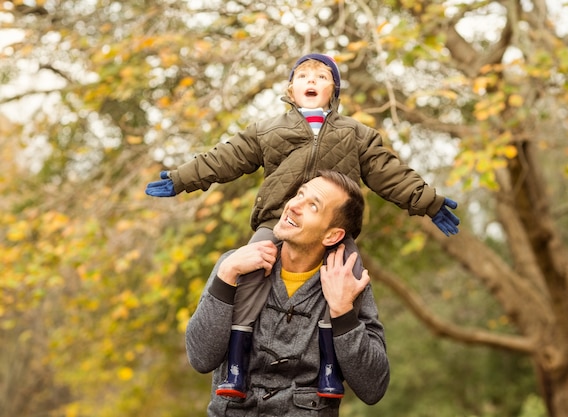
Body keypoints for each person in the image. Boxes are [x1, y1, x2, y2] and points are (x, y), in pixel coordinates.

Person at [146, 53, 459, 397]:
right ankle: (235, 362)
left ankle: (329, 367)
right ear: (290, 89)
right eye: (304, 75)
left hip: (333, 229)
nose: (312, 80)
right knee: (250, 279)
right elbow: (225, 158)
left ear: (334, 91)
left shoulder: (356, 134)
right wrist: (180, 179)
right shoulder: (269, 130)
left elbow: (390, 173)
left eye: (322, 77)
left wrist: (429, 202)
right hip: (274, 222)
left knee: (346, 279)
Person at [185, 171, 390, 417]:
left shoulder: (350, 284)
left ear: (332, 235)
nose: (293, 205)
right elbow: (200, 359)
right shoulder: (234, 265)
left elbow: (373, 388)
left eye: (313, 205)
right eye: (299, 194)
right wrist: (226, 276)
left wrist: (342, 312)